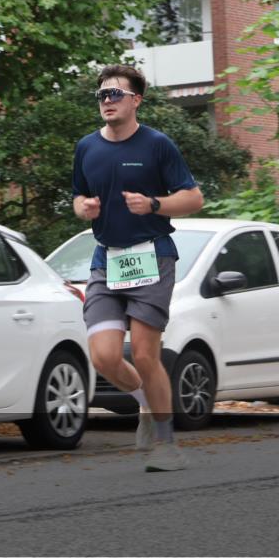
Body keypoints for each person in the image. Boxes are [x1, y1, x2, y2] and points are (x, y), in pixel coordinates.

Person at [71, 65, 204, 472]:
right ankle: (147, 406)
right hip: (106, 259)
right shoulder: (87, 148)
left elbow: (194, 198)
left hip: (152, 256)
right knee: (105, 357)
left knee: (146, 355)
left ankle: (166, 445)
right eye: (102, 96)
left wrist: (155, 204)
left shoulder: (157, 145)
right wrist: (85, 209)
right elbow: (78, 198)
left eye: (115, 94)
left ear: (135, 100)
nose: (107, 101)